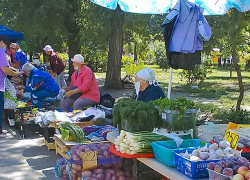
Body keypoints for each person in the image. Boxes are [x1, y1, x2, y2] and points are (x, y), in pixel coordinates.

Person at [0, 36, 21, 135]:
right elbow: (5, 69)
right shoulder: (0, 51)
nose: (6, 47)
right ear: (1, 42)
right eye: (6, 44)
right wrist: (16, 74)